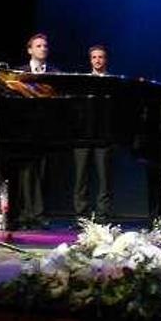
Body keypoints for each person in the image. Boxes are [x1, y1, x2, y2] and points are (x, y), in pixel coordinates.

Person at [9, 33, 58, 229]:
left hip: (45, 129)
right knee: (24, 172)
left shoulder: (55, 73)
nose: (43, 49)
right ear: (30, 50)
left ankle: (39, 214)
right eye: (38, 46)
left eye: (45, 46)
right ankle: (23, 213)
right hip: (23, 129)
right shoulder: (19, 73)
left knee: (42, 172)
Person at [73, 44, 114, 222]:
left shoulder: (113, 82)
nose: (97, 60)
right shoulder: (82, 82)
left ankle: (103, 216)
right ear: (90, 60)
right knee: (81, 178)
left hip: (103, 137)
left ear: (106, 59)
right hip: (82, 136)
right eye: (94, 57)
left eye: (101, 57)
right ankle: (81, 216)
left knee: (104, 178)